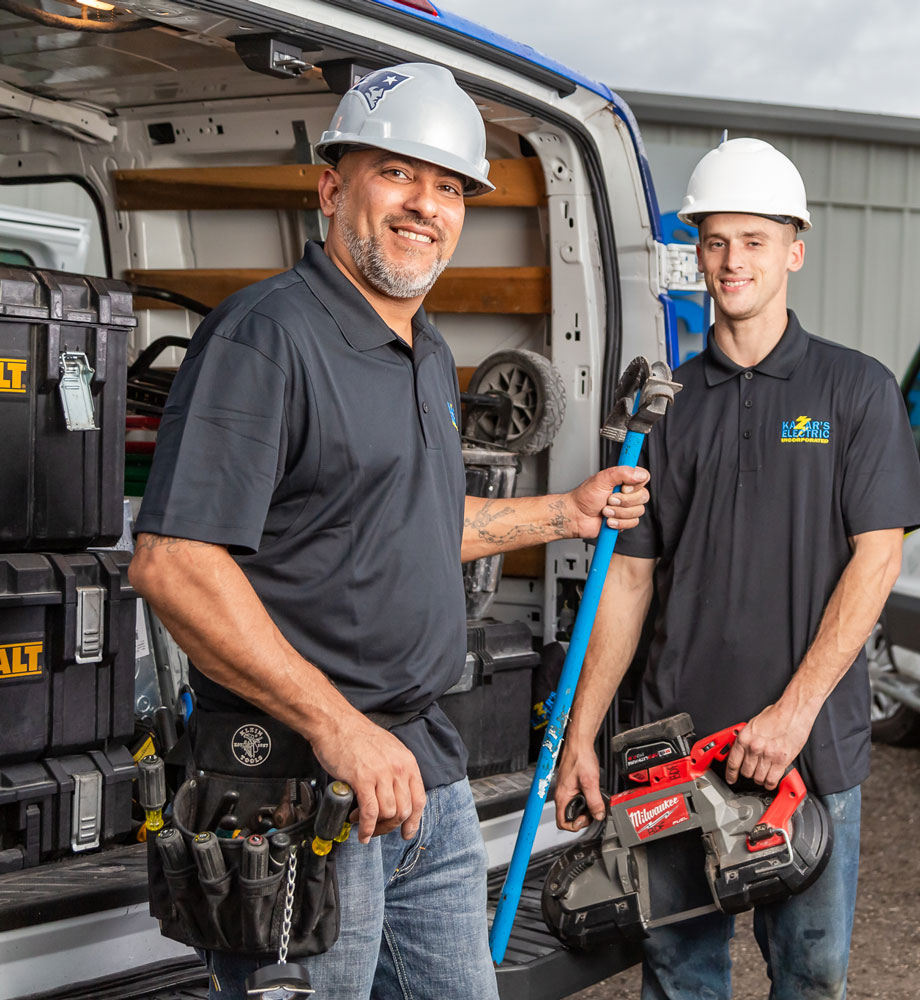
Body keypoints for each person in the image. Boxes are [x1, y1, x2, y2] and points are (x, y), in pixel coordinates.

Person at [129, 62, 649, 999]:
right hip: (297, 789)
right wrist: (340, 730)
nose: (426, 205)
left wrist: (563, 512)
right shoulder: (265, 339)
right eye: (398, 173)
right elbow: (175, 564)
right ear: (333, 187)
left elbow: (408, 524)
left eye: (448, 186)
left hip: (424, 777)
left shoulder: (426, 348)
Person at [553, 137, 920, 1000]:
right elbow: (629, 581)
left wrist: (793, 716)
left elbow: (878, 559)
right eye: (715, 241)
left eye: (754, 240)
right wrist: (583, 737)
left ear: (794, 249)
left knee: (811, 978)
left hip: (806, 756)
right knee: (683, 981)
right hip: (674, 754)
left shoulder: (856, 391)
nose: (732, 262)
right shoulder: (663, 411)